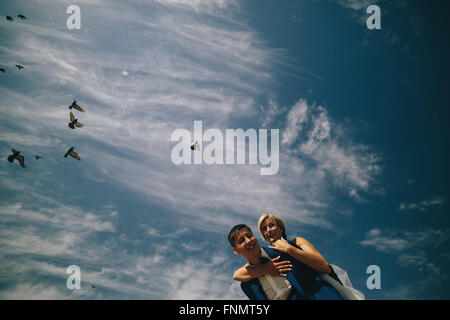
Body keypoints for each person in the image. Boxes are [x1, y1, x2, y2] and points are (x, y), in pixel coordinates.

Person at [229, 215, 344, 300]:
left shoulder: (292, 246)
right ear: (236, 250)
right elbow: (237, 275)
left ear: (281, 228)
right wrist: (265, 269)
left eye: (271, 225)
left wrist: (290, 249)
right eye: (264, 229)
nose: (268, 230)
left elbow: (324, 267)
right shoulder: (249, 280)